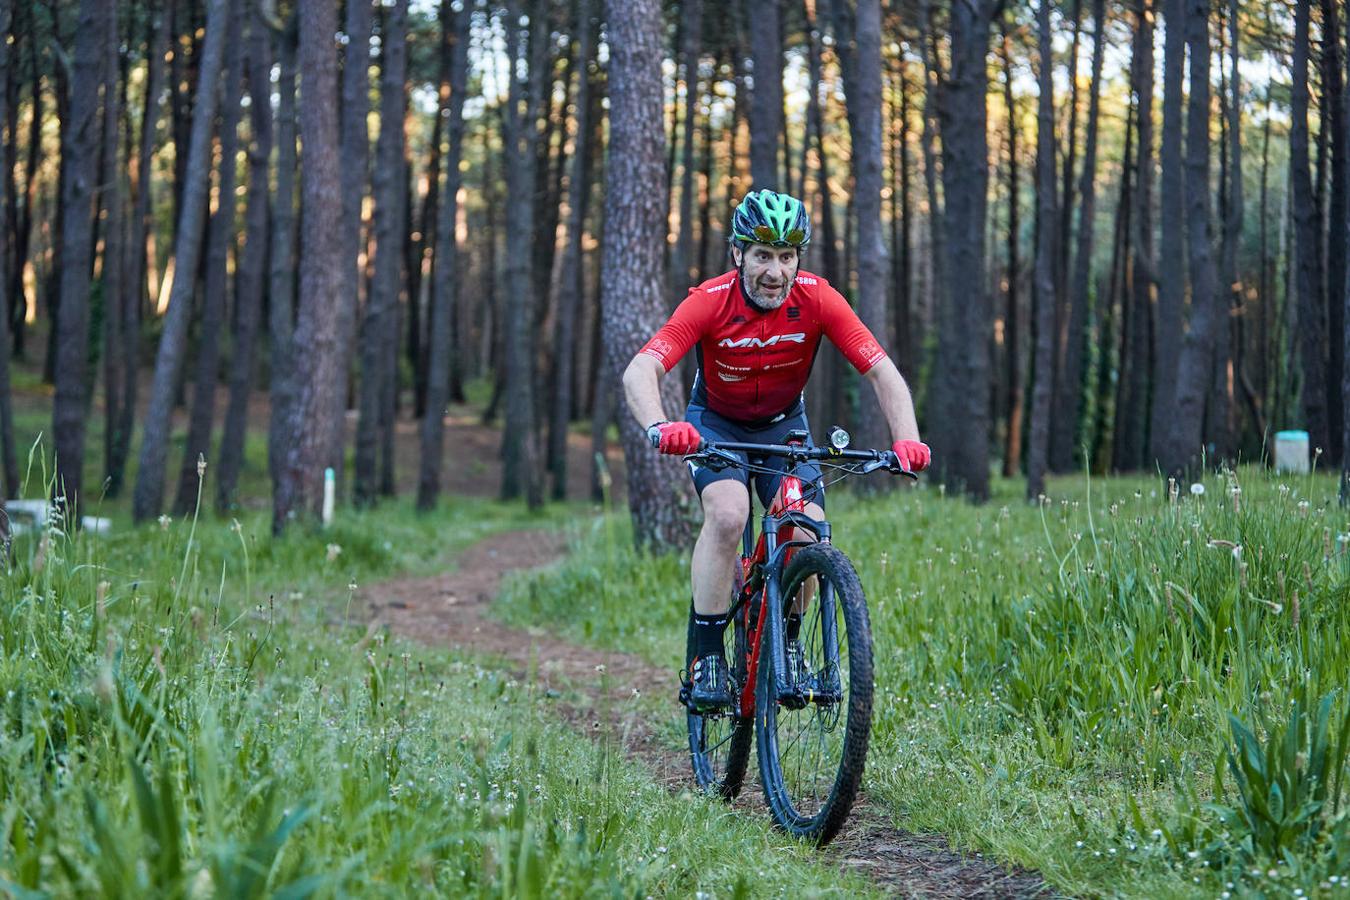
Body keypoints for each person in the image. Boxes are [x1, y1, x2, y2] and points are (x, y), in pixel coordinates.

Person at [621, 189, 930, 712]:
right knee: (727, 514)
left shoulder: (816, 297)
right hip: (715, 424)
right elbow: (642, 368)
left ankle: (786, 636)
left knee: (806, 524)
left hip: (785, 428)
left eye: (787, 256)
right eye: (763, 255)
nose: (775, 271)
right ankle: (707, 654)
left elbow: (882, 371)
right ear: (738, 253)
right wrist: (659, 426)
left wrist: (907, 438)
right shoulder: (710, 300)